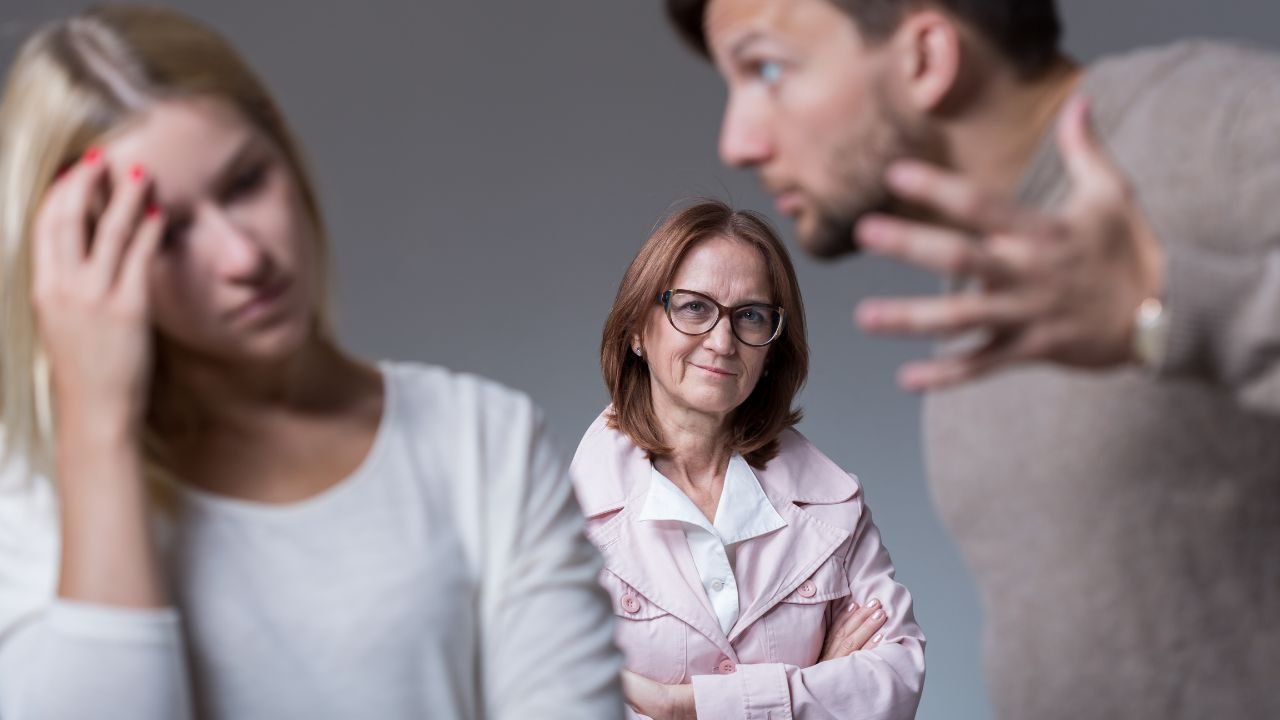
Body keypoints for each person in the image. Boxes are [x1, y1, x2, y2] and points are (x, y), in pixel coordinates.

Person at [0, 6, 623, 718]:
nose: (244, 257)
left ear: (286, 153)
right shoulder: (28, 501)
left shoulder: (485, 440)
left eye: (244, 183)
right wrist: (97, 433)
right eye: (166, 233)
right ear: (76, 261)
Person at [663, 0, 1280, 717]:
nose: (737, 141)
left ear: (925, 56)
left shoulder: (1212, 126)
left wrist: (1164, 308)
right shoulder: (996, 275)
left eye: (766, 68)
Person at [570, 199, 925, 719]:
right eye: (693, 307)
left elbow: (896, 680)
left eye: (751, 316)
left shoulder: (832, 506)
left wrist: (680, 707)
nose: (722, 341)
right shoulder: (555, 522)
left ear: (771, 349)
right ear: (637, 331)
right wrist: (811, 690)